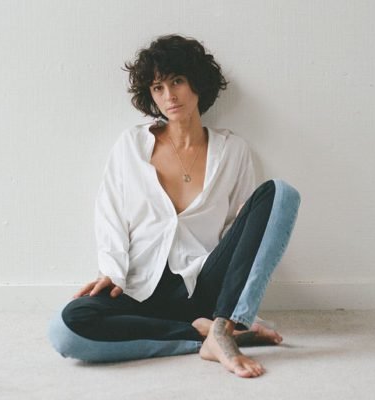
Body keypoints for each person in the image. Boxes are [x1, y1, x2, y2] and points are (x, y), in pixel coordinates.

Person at [48, 34, 301, 378]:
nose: (169, 95)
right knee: (66, 328)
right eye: (158, 87)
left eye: (177, 81)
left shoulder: (233, 150)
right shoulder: (131, 145)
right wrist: (112, 270)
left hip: (204, 286)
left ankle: (224, 325)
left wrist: (230, 288)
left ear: (197, 83)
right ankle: (205, 335)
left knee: (281, 194)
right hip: (139, 287)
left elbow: (235, 228)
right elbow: (110, 213)